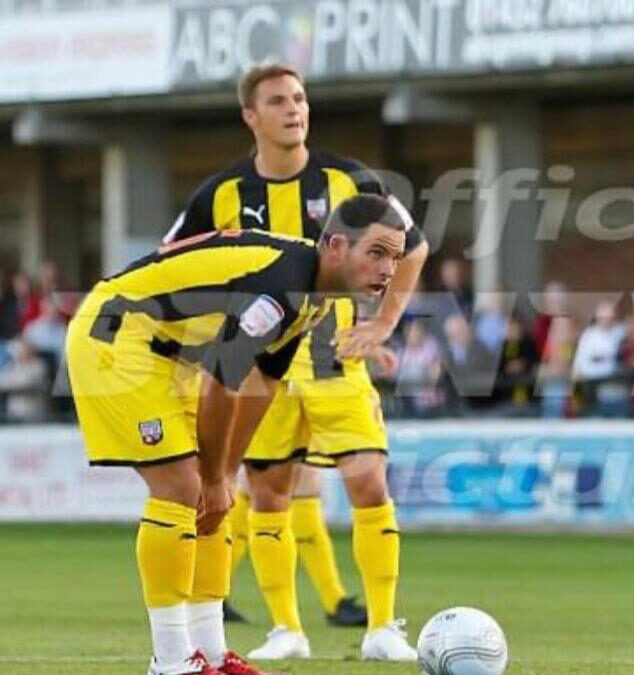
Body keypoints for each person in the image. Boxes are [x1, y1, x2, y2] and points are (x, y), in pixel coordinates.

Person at [66, 195, 409, 675]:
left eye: (395, 255)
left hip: (167, 353)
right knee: (184, 489)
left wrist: (224, 474)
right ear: (334, 246)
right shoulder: (282, 286)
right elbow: (223, 380)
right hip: (116, 336)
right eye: (376, 252)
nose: (389, 268)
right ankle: (169, 661)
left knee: (214, 492)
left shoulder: (311, 298)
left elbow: (262, 382)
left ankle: (209, 652)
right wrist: (211, 477)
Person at [169, 62, 427, 661]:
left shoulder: (349, 179)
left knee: (368, 479)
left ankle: (383, 628)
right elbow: (172, 258)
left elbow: (412, 247)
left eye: (301, 98)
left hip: (335, 355)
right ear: (250, 116)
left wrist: (383, 322)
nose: (294, 109)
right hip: (262, 364)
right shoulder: (221, 194)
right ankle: (287, 629)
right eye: (279, 100)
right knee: (269, 494)